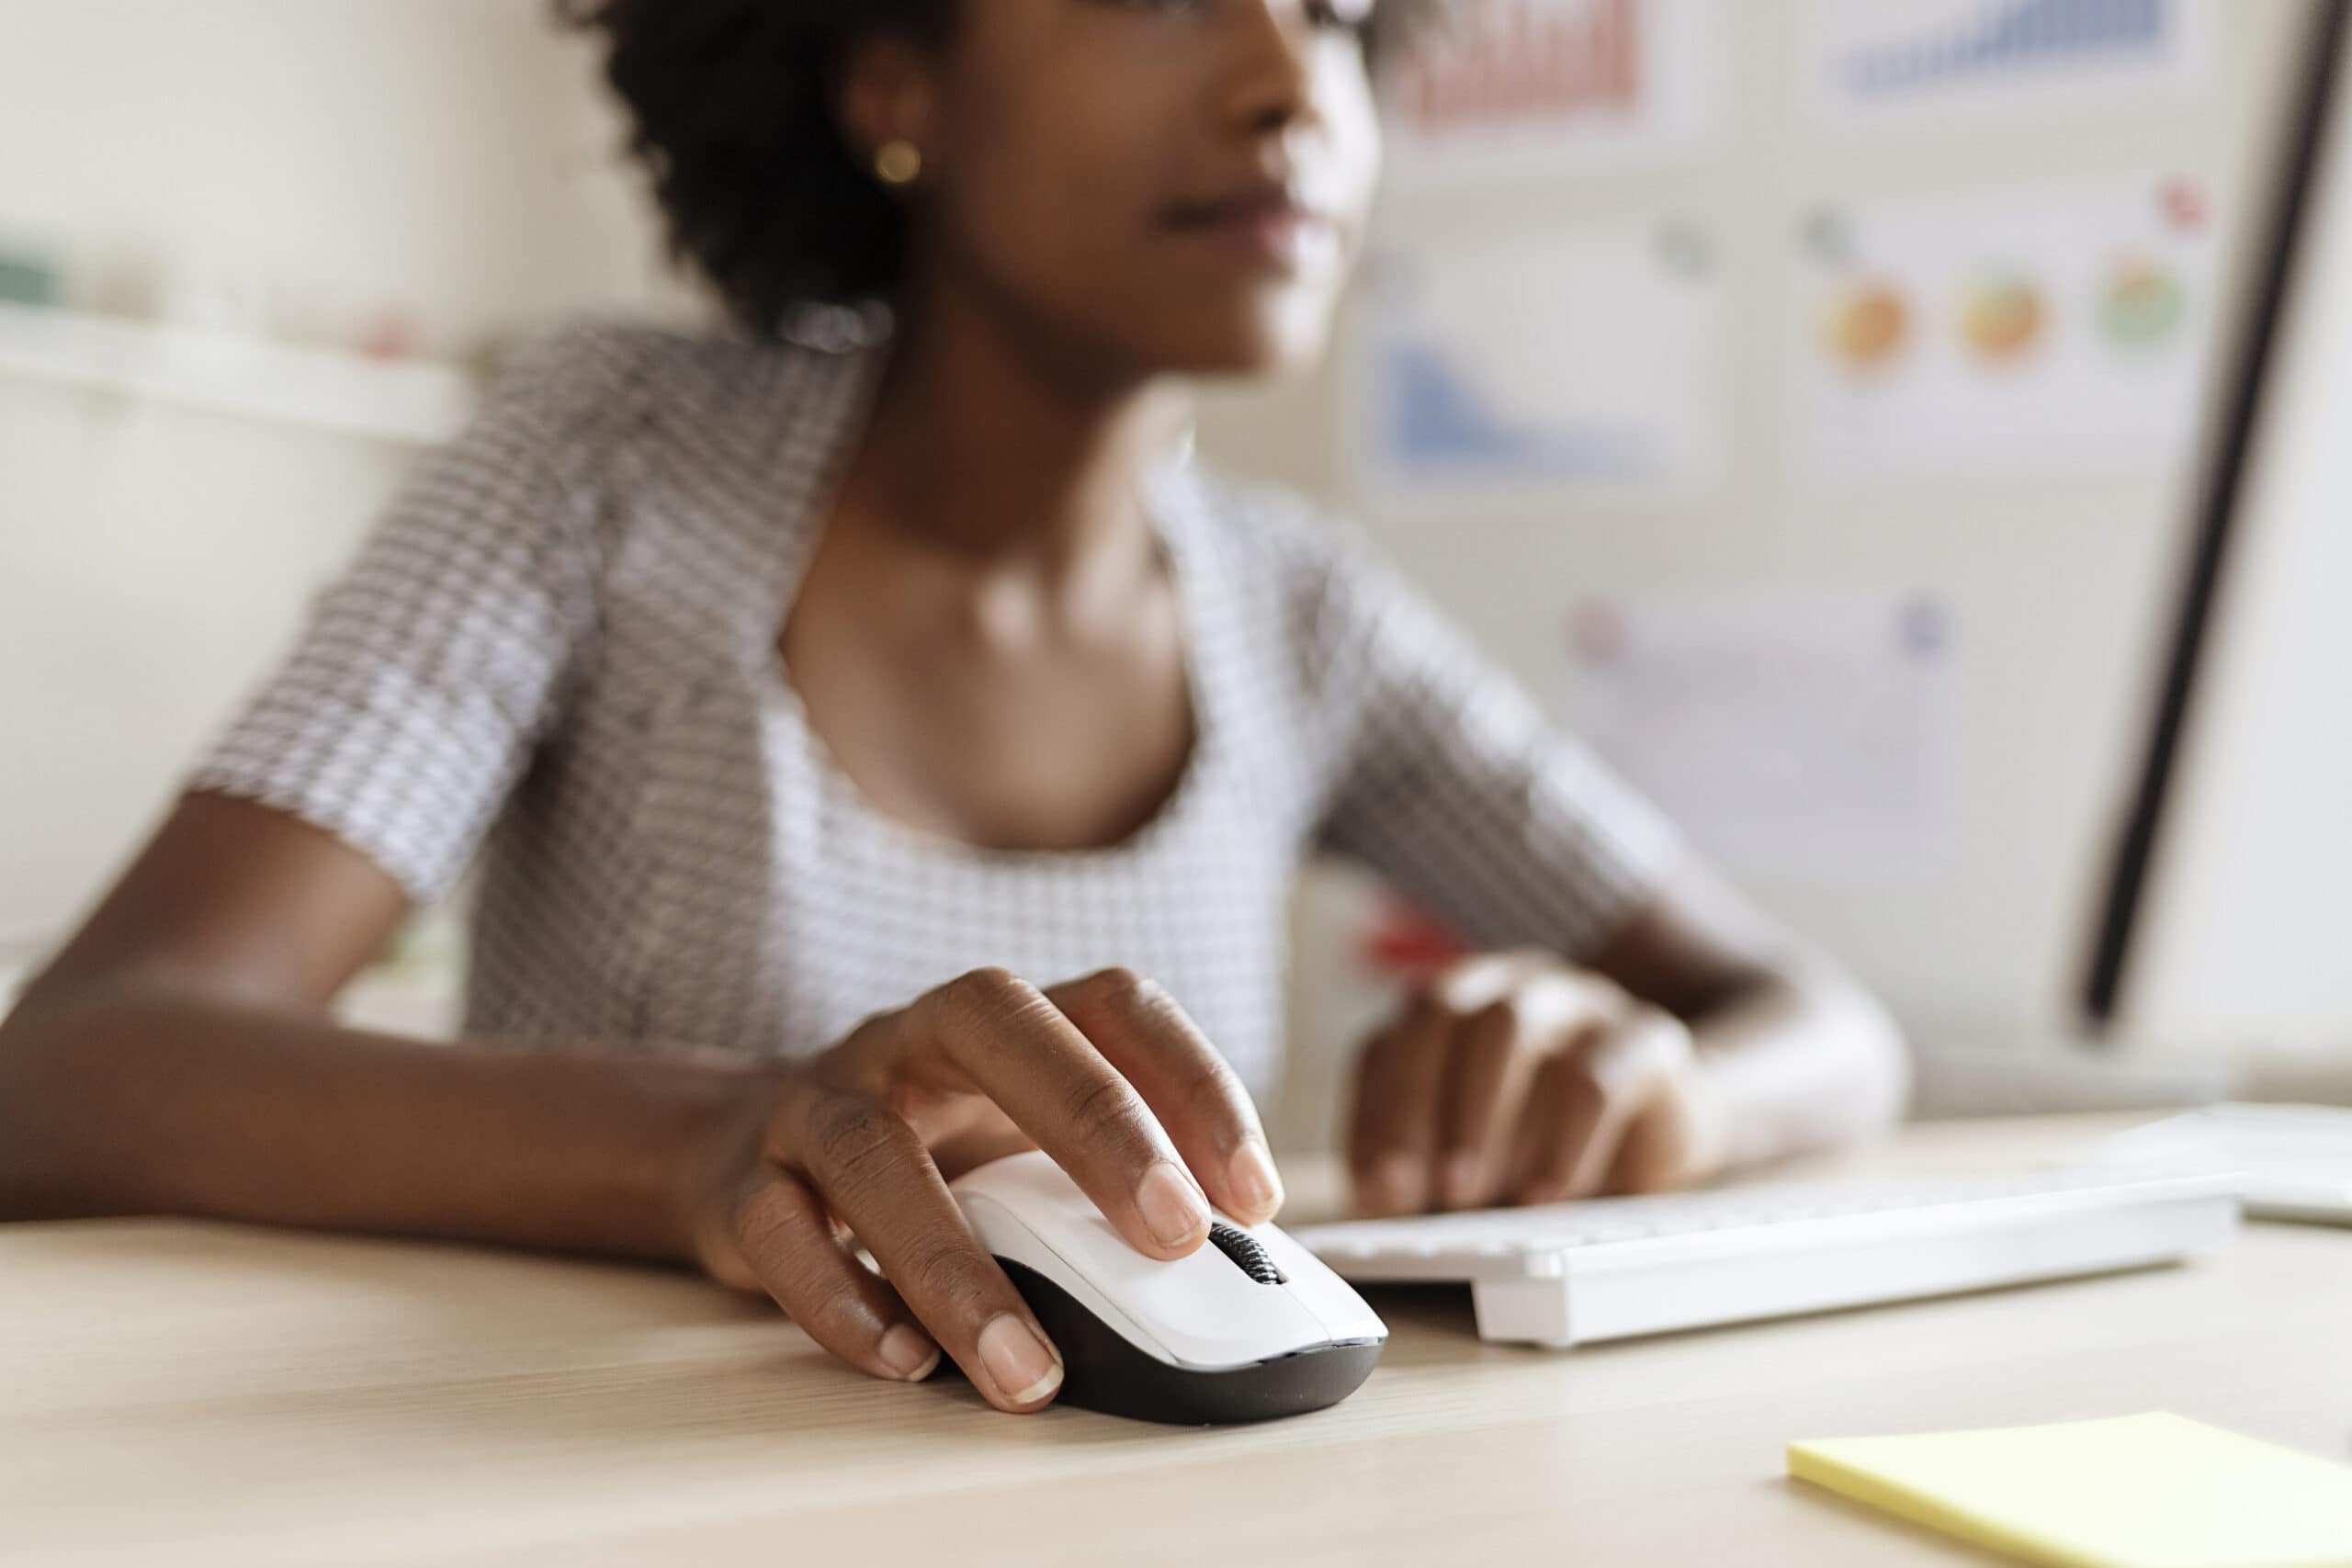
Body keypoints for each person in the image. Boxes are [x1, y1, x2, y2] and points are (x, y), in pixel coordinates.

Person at [0, 0, 1906, 1416]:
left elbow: (1826, 1027)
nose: (1284, 85)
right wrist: (713, 1136)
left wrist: (1659, 1087)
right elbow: (75, 1066)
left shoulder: (1298, 606)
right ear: (890, 83)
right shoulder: (612, 458)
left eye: (1334, 11)